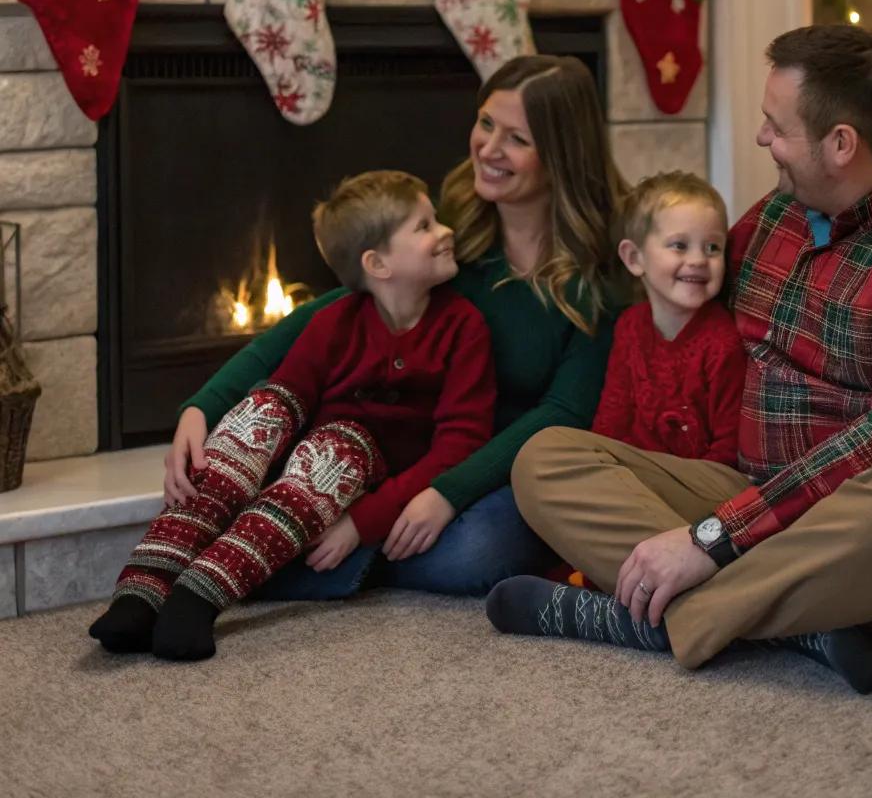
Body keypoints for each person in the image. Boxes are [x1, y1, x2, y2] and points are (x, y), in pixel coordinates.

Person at [488, 26, 872, 694]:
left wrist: (712, 540)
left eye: (777, 126)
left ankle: (648, 614)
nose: (762, 139)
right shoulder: (775, 218)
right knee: (547, 459)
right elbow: (679, 302)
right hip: (755, 500)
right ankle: (793, 620)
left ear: (840, 145)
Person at [160, 54, 624, 602]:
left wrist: (445, 493)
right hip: (407, 445)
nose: (488, 149)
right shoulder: (453, 219)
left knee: (478, 553)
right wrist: (204, 405)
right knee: (295, 459)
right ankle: (293, 550)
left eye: (516, 139)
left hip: (504, 468)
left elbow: (562, 414)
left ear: (561, 156)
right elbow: (336, 308)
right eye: (485, 123)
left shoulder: (601, 272)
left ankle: (293, 557)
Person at [89, 170, 495, 659]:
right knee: (264, 409)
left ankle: (201, 592)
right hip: (304, 464)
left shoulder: (463, 327)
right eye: (424, 226)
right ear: (378, 264)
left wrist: (362, 524)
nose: (446, 231)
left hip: (361, 468)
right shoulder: (335, 321)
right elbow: (287, 391)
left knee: (340, 447)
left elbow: (460, 443)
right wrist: (215, 420)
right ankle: (143, 585)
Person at [591, 170, 746, 463]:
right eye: (679, 245)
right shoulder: (630, 326)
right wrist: (600, 463)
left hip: (700, 481)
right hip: (631, 474)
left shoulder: (722, 343)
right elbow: (612, 418)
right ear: (635, 259)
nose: (699, 260)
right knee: (547, 452)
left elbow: (729, 451)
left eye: (713, 247)